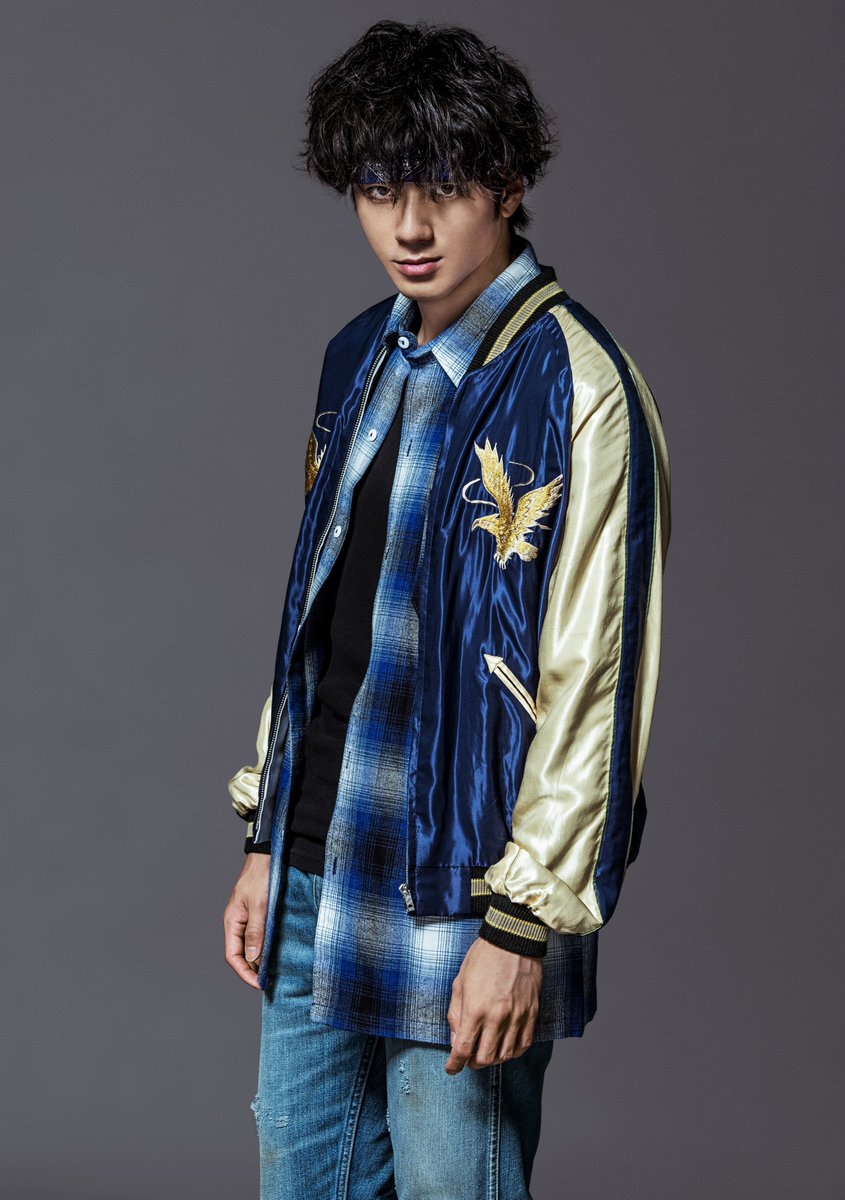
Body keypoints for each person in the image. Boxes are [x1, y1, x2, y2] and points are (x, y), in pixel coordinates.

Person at [223, 18, 671, 1199]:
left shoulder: (575, 386)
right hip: (320, 865)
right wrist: (267, 840)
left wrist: (521, 928)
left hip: (465, 892)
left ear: (509, 187)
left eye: (443, 188)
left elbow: (594, 681)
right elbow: (319, 623)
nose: (408, 227)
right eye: (378, 190)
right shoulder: (356, 359)